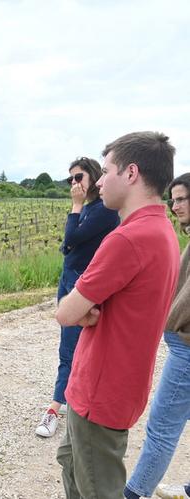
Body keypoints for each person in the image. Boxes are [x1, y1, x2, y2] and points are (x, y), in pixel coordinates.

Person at [54, 131, 180, 499]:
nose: (101, 180)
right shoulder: (162, 230)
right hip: (115, 386)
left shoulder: (128, 239)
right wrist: (88, 309)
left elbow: (65, 312)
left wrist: (83, 310)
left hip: (100, 390)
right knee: (72, 463)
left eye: (107, 170)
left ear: (131, 173)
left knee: (97, 487)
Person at [35, 157, 120, 438]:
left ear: (94, 177)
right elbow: (67, 244)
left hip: (82, 282)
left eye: (78, 177)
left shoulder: (102, 211)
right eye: (70, 179)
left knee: (71, 346)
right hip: (68, 276)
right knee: (70, 345)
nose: (74, 184)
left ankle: (56, 407)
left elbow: (71, 238)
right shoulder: (91, 209)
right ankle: (72, 402)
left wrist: (75, 206)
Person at [124, 173, 190, 499]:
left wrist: (172, 319)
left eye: (182, 199)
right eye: (173, 199)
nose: (175, 206)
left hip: (187, 348)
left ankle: (134, 494)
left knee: (161, 430)